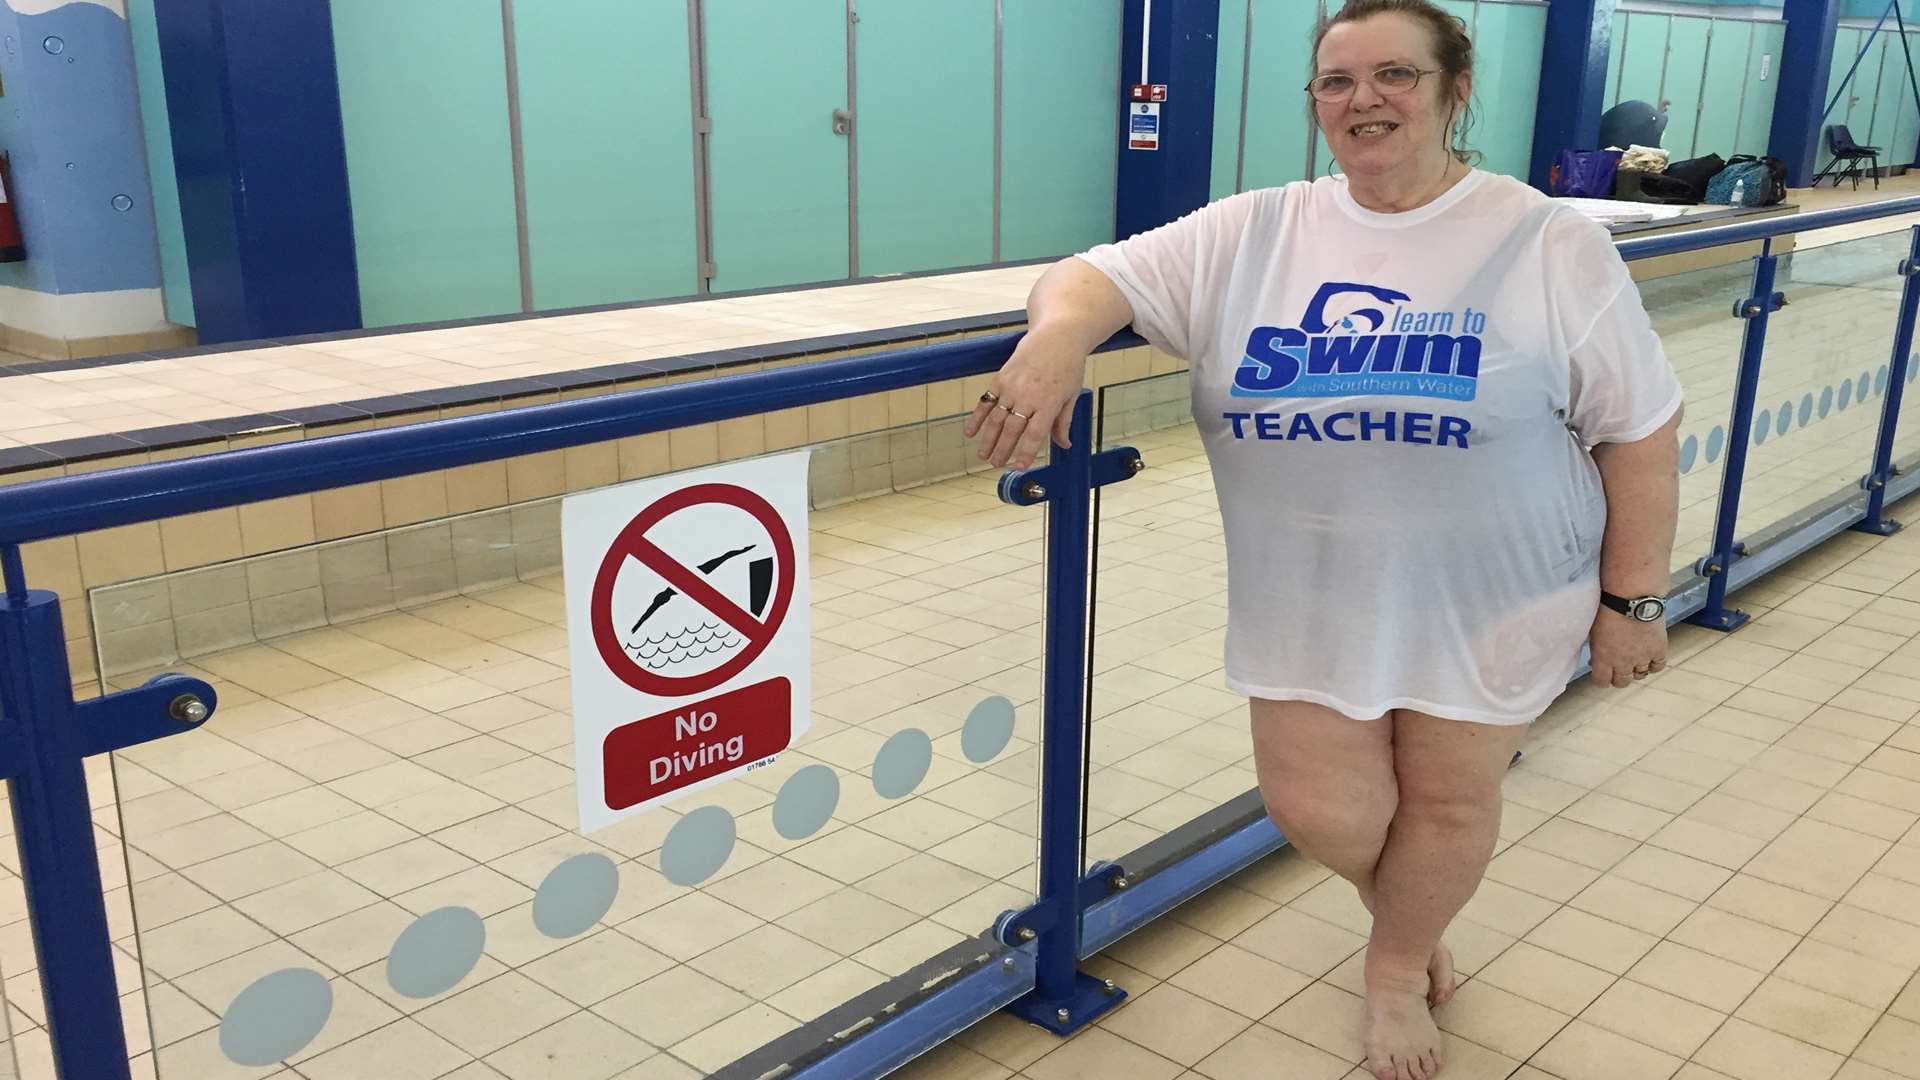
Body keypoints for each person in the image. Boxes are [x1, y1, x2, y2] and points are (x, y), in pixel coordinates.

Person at [964, 2, 1682, 1078]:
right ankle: (1407, 909)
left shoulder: (1546, 241)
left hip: (1497, 591)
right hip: (1308, 594)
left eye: (1394, 76)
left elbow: (1641, 431)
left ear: (1453, 91)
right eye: (1337, 83)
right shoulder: (1258, 229)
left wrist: (1633, 602)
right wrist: (1060, 336)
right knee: (1320, 808)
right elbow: (1091, 274)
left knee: (1446, 799)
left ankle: (1395, 969)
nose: (1363, 101)